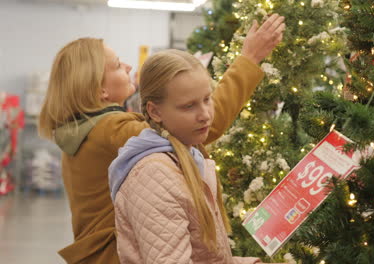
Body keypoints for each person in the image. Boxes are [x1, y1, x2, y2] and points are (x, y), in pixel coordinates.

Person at [38, 14, 285, 263]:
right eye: (116, 65)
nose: (128, 67)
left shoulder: (86, 127)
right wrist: (249, 59)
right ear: (99, 89)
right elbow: (202, 126)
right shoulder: (112, 129)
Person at [109, 49, 281, 264]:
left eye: (207, 99)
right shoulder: (155, 176)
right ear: (155, 112)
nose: (205, 115)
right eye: (188, 106)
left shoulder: (189, 154)